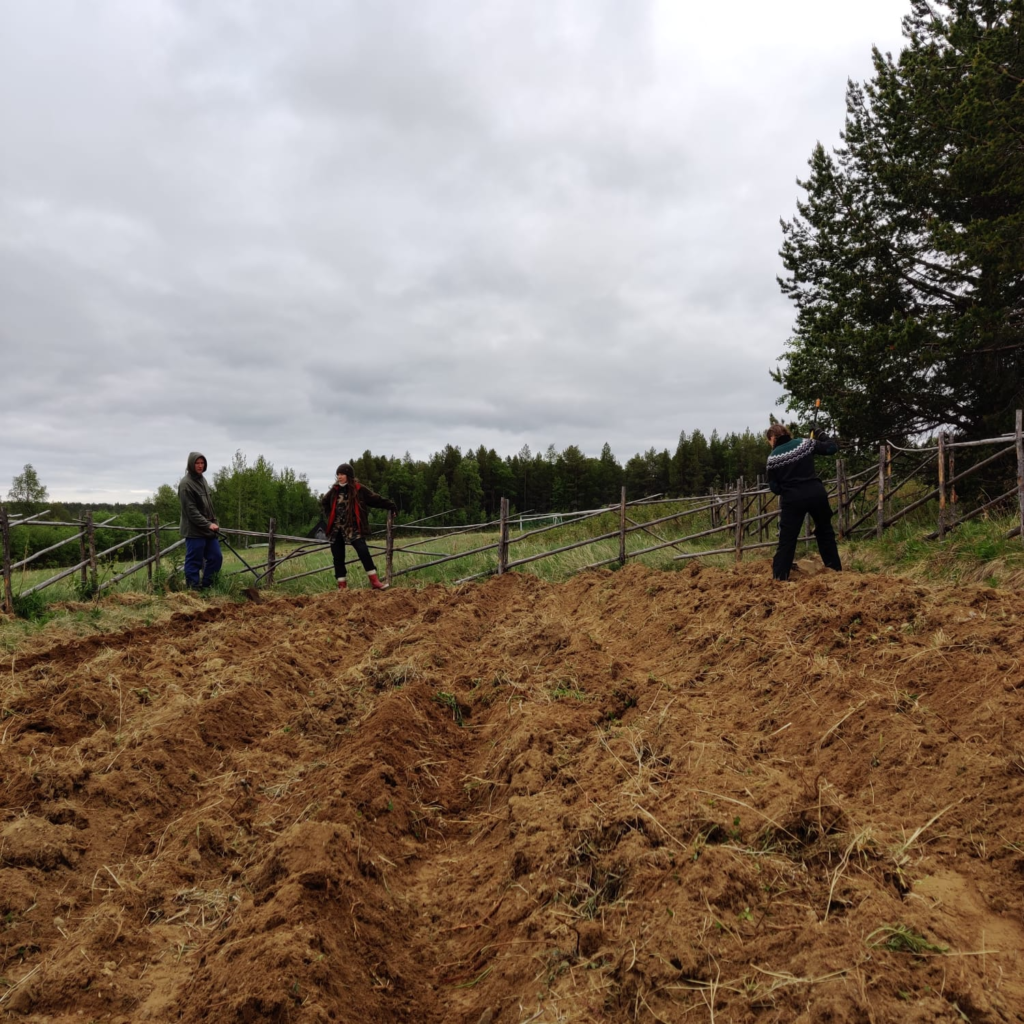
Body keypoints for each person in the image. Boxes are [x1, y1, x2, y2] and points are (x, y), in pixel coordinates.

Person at [765, 424, 842, 581]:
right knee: (825, 532)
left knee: (787, 539)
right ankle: (835, 572)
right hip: (816, 494)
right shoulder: (805, 443)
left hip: (792, 499)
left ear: (772, 438)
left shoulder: (772, 458)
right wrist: (820, 433)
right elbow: (832, 447)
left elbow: (774, 487)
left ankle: (780, 577)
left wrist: (786, 488)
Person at [320, 464, 397, 590]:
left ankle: (375, 582)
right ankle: (342, 586)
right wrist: (331, 517)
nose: (339, 477)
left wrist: (391, 506)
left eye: (342, 474)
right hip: (336, 529)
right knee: (338, 557)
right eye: (338, 474)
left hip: (353, 528)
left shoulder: (358, 489)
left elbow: (375, 499)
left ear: (348, 476)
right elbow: (324, 502)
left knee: (363, 552)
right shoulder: (334, 490)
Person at [177, 451, 223, 590]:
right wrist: (208, 524)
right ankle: (194, 589)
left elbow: (208, 505)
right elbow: (191, 512)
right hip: (194, 531)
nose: (200, 466)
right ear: (191, 464)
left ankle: (207, 586)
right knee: (194, 561)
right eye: (197, 463)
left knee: (216, 557)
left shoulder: (203, 480)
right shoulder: (186, 484)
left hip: (208, 530)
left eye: (202, 463)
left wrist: (214, 522)